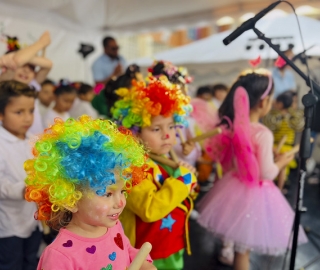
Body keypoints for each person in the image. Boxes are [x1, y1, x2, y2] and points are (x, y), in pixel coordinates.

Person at [197, 69, 307, 270]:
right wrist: (282, 162)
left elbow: (233, 161)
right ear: (263, 103)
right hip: (255, 194)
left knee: (239, 245)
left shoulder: (233, 129)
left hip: (233, 185)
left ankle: (227, 253)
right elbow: (266, 173)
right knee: (244, 250)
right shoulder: (263, 133)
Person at [24, 115, 155, 270]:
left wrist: (144, 264)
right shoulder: (59, 256)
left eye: (123, 191)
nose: (121, 202)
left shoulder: (112, 226)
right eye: (108, 194)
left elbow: (126, 249)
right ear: (71, 200)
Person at [112, 77, 198, 270]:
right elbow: (149, 209)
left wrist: (188, 181)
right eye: (156, 128)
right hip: (146, 255)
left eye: (171, 126)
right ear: (136, 133)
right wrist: (183, 181)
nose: (167, 135)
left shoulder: (165, 159)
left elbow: (185, 198)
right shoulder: (132, 167)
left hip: (172, 246)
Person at [0, 80, 42, 270]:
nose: (27, 118)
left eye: (31, 111)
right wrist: (23, 190)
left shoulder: (31, 141)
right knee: (11, 264)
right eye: (19, 112)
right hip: (9, 226)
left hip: (32, 221)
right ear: (1, 114)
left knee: (30, 261)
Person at [0, 31, 52, 135]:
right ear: (6, 68)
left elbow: (48, 64)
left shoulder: (32, 85)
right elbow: (18, 60)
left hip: (34, 142)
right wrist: (41, 43)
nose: (26, 71)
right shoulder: (3, 84)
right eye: (23, 66)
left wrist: (28, 56)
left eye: (32, 67)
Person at [263, 90, 304, 192]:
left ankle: (277, 188)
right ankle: (280, 189)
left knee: (277, 168)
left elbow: (269, 127)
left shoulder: (275, 116)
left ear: (280, 104)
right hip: (278, 147)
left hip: (278, 148)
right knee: (281, 169)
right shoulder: (290, 116)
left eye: (276, 102)